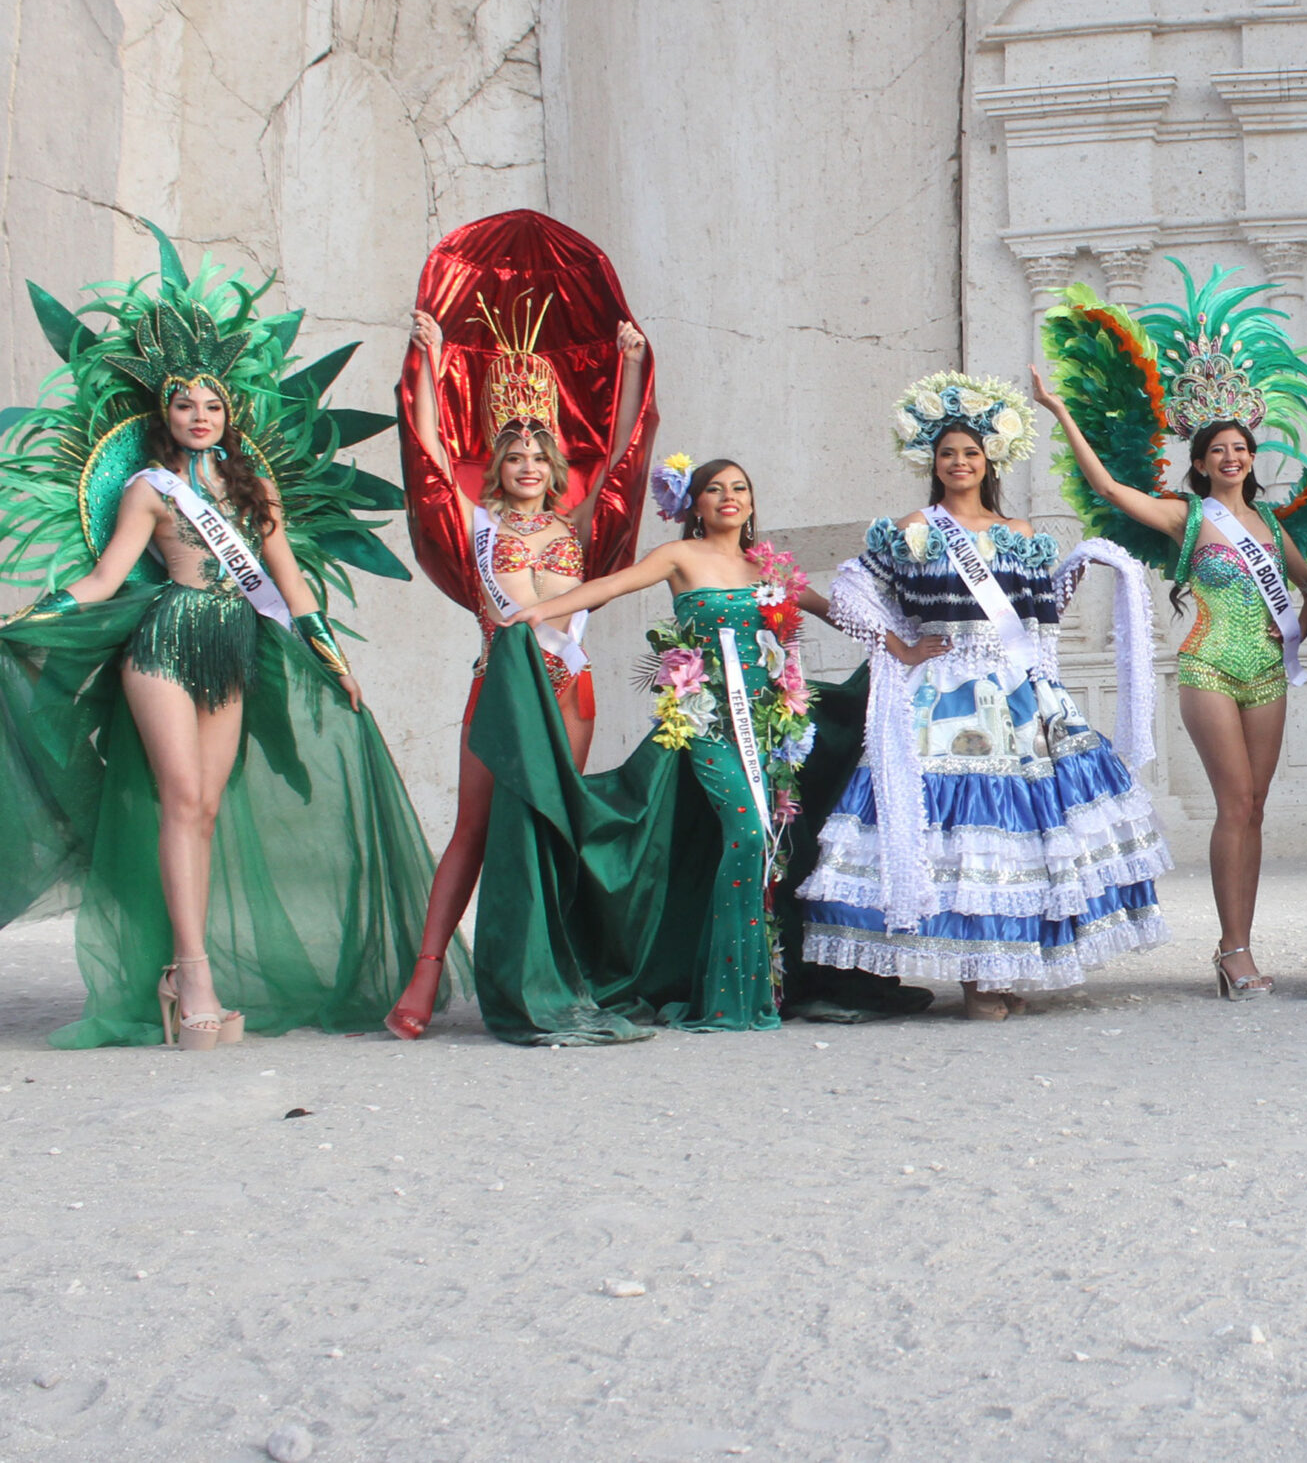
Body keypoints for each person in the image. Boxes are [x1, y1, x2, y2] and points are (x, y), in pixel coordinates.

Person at [0, 228, 431, 1047]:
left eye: (213, 404)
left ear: (229, 413)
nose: (199, 415)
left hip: (231, 645)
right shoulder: (147, 488)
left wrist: (331, 656)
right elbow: (105, 577)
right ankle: (192, 972)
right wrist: (34, 615)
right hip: (163, 642)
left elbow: (290, 583)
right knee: (180, 797)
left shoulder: (254, 483)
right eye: (185, 404)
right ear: (163, 414)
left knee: (205, 809)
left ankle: (183, 975)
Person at [795, 374, 1169, 1020]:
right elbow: (852, 589)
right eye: (948, 454)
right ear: (933, 464)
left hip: (1016, 690)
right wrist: (900, 645)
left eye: (970, 453)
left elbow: (1036, 614)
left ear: (988, 460)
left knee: (1018, 829)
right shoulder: (914, 528)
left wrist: (1079, 566)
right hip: (947, 692)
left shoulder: (1017, 529)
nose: (960, 463)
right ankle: (976, 979)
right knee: (961, 829)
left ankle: (1002, 963)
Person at [1036, 263, 1307, 999]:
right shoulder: (1187, 516)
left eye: (1241, 448)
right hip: (1208, 663)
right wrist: (1059, 412)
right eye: (1218, 450)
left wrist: (1296, 633)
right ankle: (1236, 949)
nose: (1232, 457)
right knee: (1233, 802)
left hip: (1267, 671)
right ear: (1202, 462)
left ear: (1250, 455)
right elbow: (1112, 491)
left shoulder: (1272, 523)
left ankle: (1230, 945)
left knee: (1257, 807)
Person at [385, 210, 655, 1037]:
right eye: (514, 456)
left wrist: (634, 370)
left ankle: (550, 967)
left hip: (569, 688)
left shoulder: (573, 531)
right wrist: (428, 360)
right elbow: (428, 451)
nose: (529, 465)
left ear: (554, 468)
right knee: (473, 826)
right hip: (497, 689)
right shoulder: (478, 524)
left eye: (540, 456)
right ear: (498, 466)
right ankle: (427, 977)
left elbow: (621, 460)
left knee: (549, 826)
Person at [480, 456, 824, 1041]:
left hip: (766, 725)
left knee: (767, 841)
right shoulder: (679, 557)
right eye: (713, 489)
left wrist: (902, 641)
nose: (727, 497)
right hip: (706, 720)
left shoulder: (764, 566)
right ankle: (726, 998)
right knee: (744, 832)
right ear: (695, 504)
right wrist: (537, 612)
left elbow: (828, 609)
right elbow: (609, 586)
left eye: (739, 487)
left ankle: (756, 983)